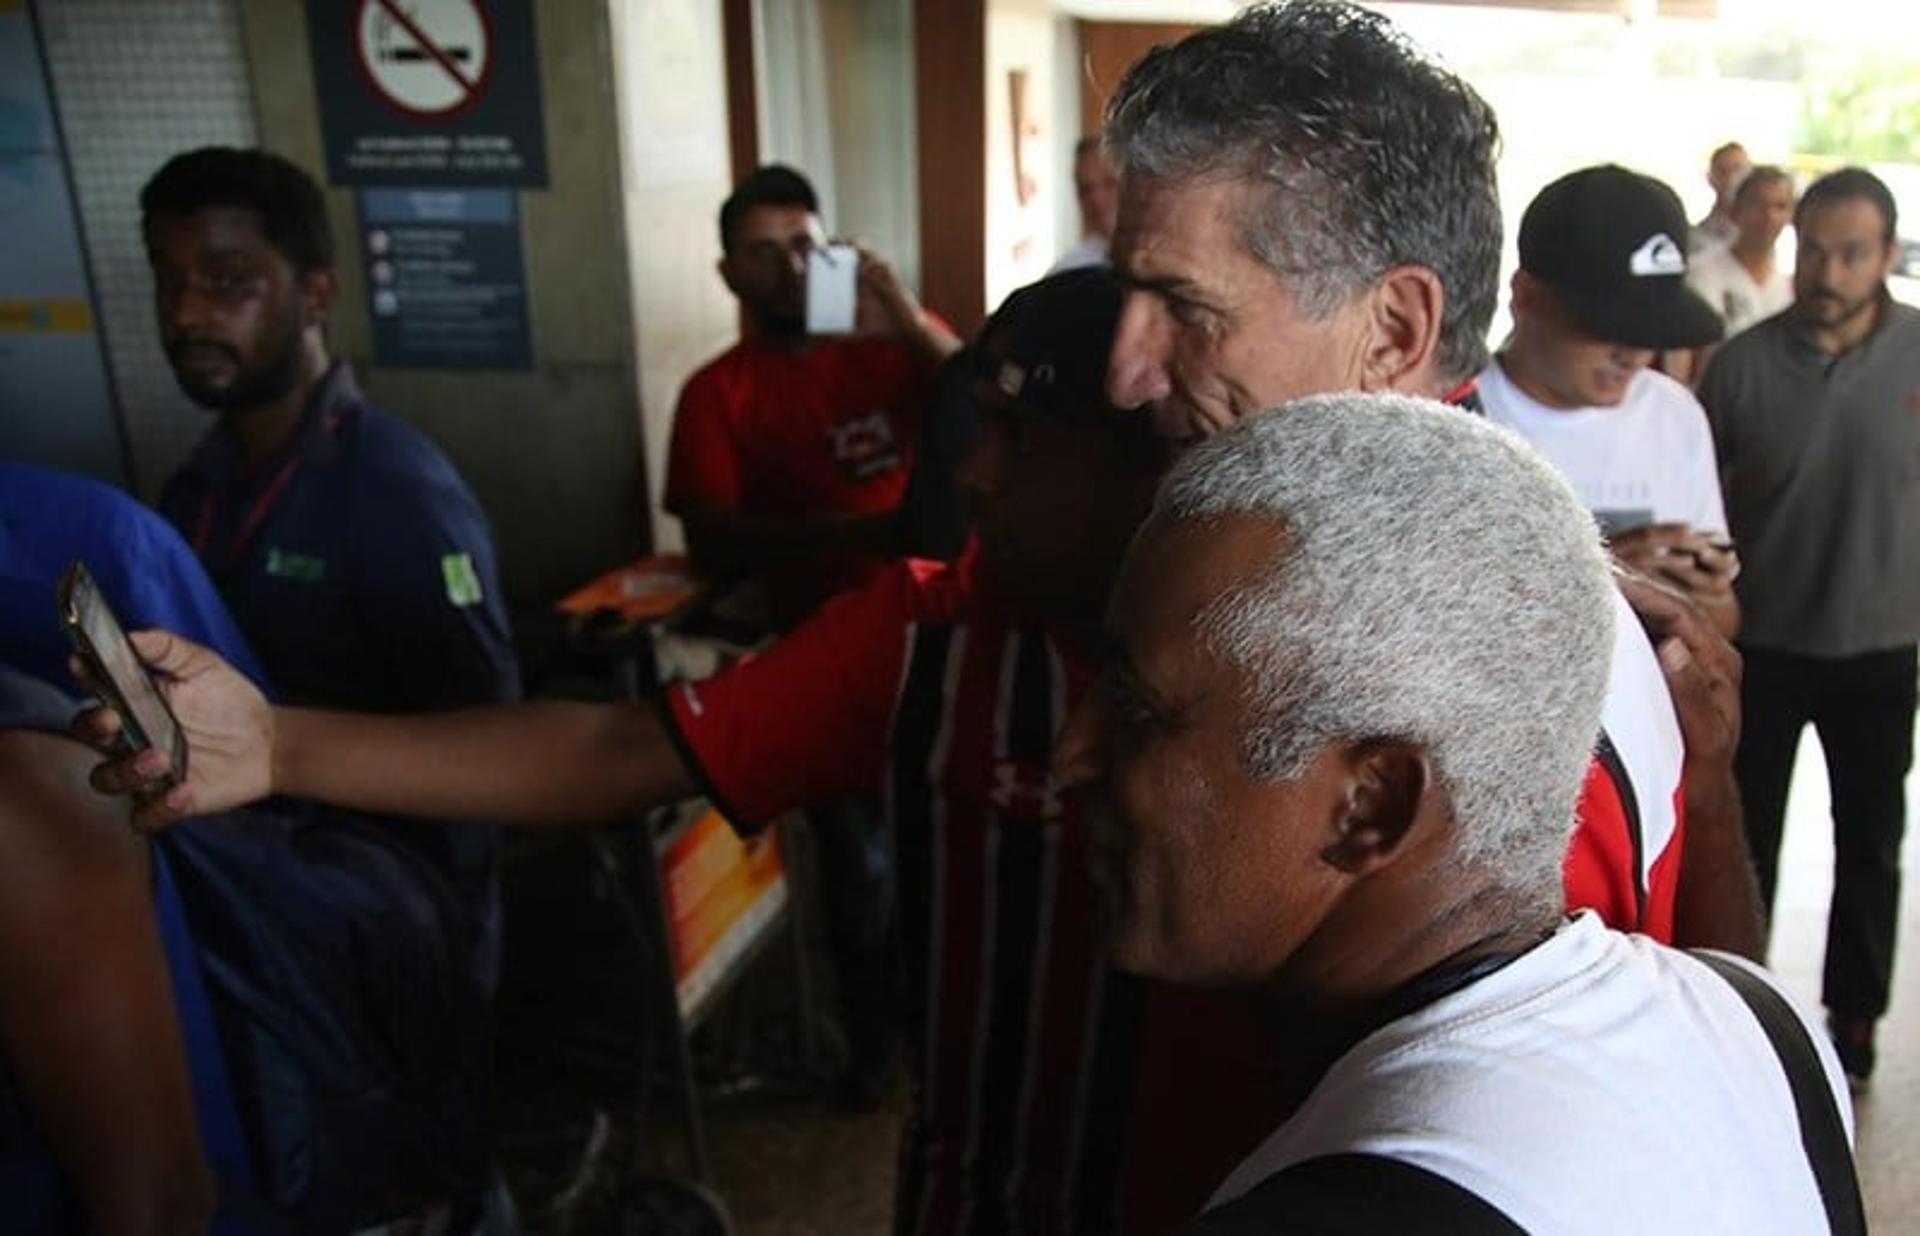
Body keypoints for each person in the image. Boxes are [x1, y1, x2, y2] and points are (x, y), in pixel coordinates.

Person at [83, 270, 1276, 1234]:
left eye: (1023, 439)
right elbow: (610, 751)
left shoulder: (1304, 667)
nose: (974, 470)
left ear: (1157, 468)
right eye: (981, 428)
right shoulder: (927, 637)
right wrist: (277, 746)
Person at [1052, 394, 1856, 1234]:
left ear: (1373, 807)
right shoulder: (1759, 1027)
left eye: (1140, 711)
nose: (1073, 754)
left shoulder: (1347, 1210)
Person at [1099, 0, 1762, 957]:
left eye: (1185, 308)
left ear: (1395, 331)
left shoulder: (1508, 702)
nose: (1125, 374)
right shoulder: (1287, 576)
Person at [141, 146, 518, 997]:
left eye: (227, 279)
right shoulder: (192, 491)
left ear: (316, 293)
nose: (188, 314)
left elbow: (485, 742)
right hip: (250, 909)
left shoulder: (397, 491)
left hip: (387, 922)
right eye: (170, 281)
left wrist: (436, 946)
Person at [1698, 166, 1920, 1087]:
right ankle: (1741, 1004)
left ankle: (1856, 1019)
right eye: (1813, 250)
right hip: (1765, 645)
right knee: (1748, 838)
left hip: (1881, 642)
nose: (1826, 270)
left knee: (1871, 838)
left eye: (1850, 254)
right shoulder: (1742, 367)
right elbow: (1699, 506)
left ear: (1888, 256)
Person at [666, 163, 961, 630]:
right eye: (763, 253)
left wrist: (914, 326)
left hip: (937, 604)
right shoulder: (714, 391)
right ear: (728, 274)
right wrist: (853, 534)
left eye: (805, 246)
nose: (792, 268)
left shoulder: (897, 343)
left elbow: (990, 401)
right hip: (811, 626)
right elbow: (709, 543)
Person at [1479, 165, 1740, 638]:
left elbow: (1723, 622)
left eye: (1652, 332)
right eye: (1606, 328)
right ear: (1526, 298)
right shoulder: (1464, 419)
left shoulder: (1674, 416)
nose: (1635, 355)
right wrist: (1596, 578)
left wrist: (1707, 592)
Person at [1686, 163, 1796, 338]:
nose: (1769, 216)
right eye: (1758, 204)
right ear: (1735, 211)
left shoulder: (1791, 288)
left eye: (1780, 206)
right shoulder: (1700, 273)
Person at [1050, 137, 1120, 273]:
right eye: (1085, 189)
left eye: (1109, 183)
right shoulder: (1068, 272)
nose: (1096, 198)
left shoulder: (1167, 262)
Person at [1691, 140, 1751, 253]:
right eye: (1723, 172)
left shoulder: (1765, 231)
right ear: (1710, 178)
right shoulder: (1697, 239)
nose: (1732, 179)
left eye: (1738, 170)